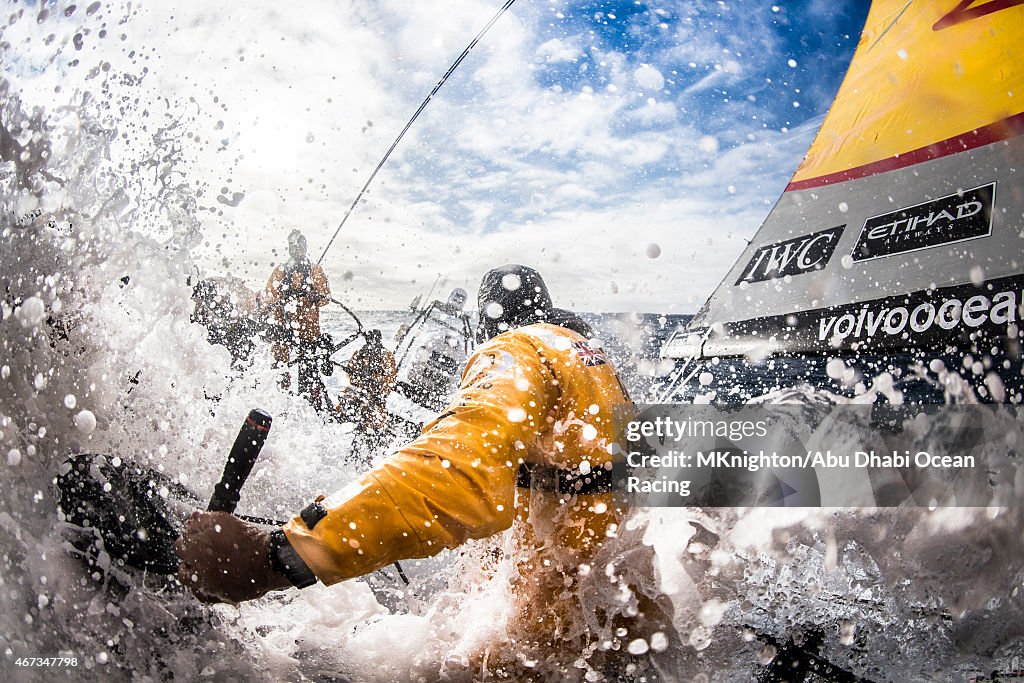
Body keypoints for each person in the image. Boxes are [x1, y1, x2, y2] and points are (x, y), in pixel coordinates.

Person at [176, 265, 676, 679]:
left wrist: (277, 556)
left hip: (548, 654)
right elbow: (567, 496)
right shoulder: (590, 364)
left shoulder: (518, 353)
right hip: (620, 638)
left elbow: (461, 472)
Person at [263, 230, 331, 409]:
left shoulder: (315, 270)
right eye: (292, 246)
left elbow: (326, 298)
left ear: (306, 247)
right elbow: (268, 296)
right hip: (283, 326)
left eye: (299, 246)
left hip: (308, 329)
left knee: (308, 370)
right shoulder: (280, 271)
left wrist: (317, 296)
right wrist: (281, 298)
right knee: (280, 369)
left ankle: (309, 405)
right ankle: (280, 404)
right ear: (289, 248)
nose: (296, 249)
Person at [336, 329, 398, 451]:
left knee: (374, 430)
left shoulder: (384, 355)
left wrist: (375, 382)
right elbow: (351, 376)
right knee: (366, 431)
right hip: (363, 399)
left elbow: (390, 380)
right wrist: (364, 382)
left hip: (375, 399)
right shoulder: (360, 354)